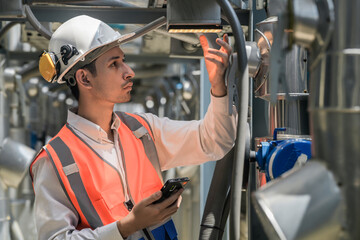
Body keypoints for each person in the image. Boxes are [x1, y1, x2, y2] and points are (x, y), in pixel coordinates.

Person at [30, 15, 237, 240]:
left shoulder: (142, 131)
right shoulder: (55, 161)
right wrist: (126, 226)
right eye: (114, 64)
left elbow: (215, 140)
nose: (129, 71)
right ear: (84, 78)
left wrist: (218, 88)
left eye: (124, 60)